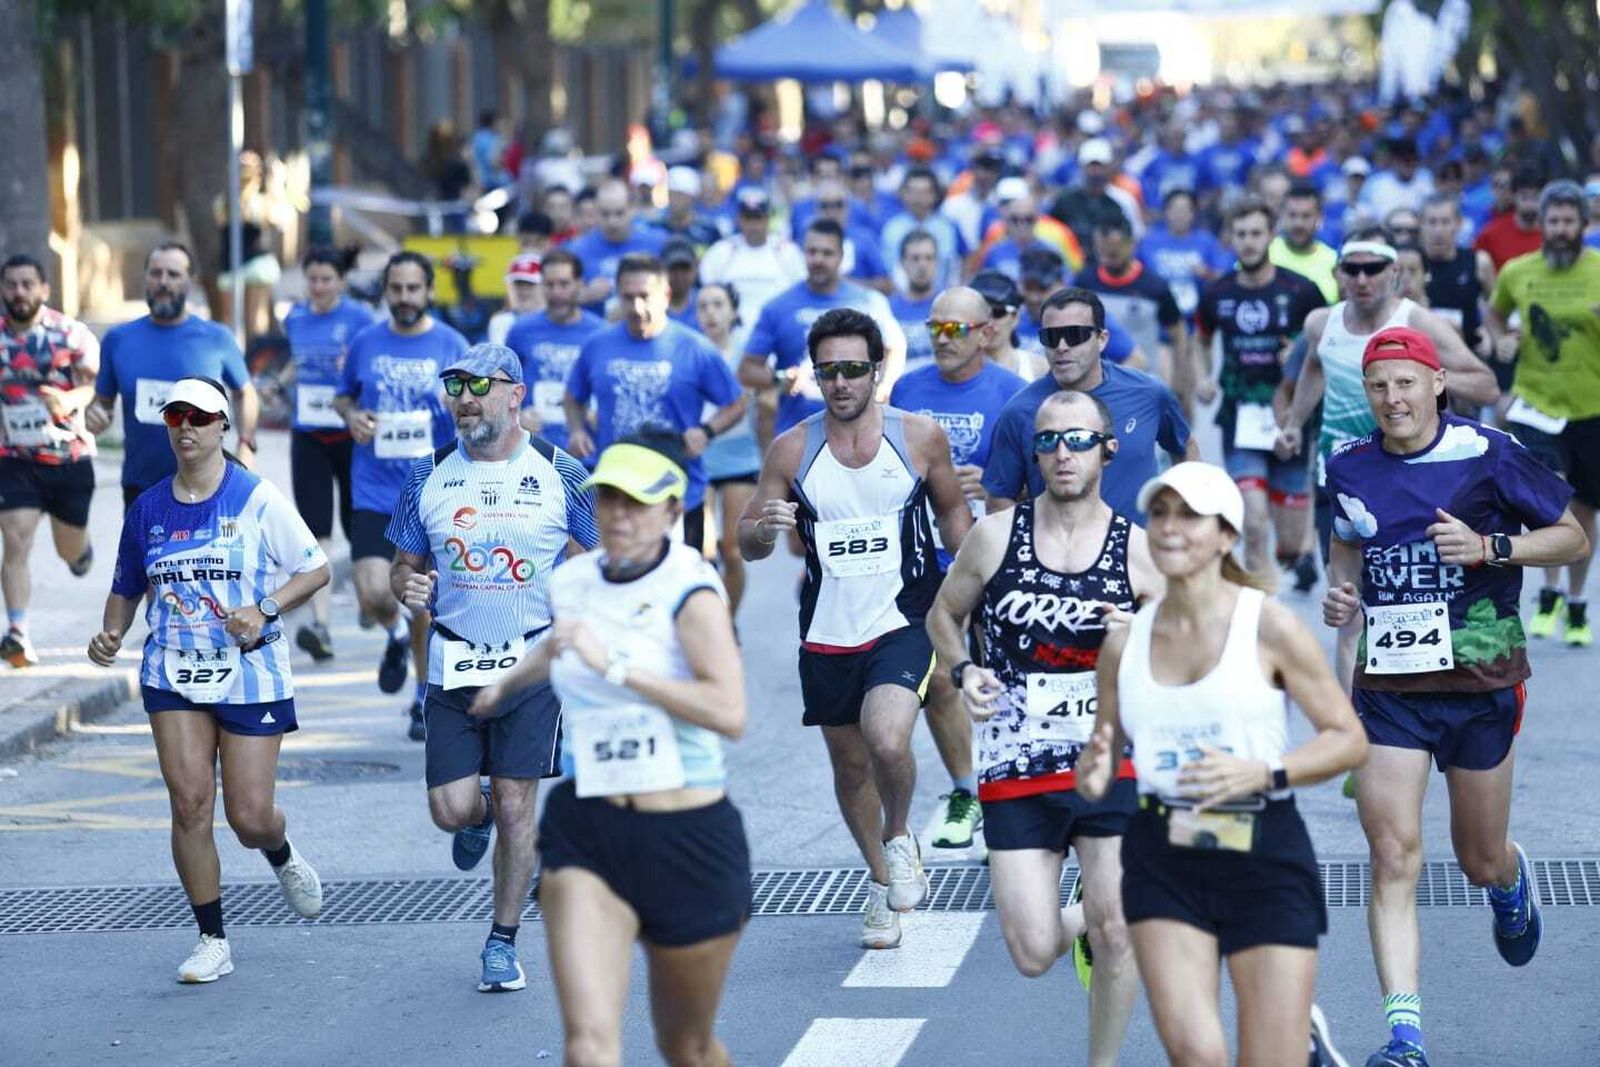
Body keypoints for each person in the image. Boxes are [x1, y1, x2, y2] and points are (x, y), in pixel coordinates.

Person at [1322, 327, 1588, 1067]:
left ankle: (1509, 879)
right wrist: (1344, 596)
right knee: (1393, 856)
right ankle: (1406, 1037)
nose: (1392, 398)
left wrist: (1490, 547)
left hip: (1481, 682)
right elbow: (1346, 544)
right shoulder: (1346, 464)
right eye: (1378, 385)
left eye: (1406, 383)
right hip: (1391, 690)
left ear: (1438, 384)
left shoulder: (1487, 451)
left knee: (1476, 857)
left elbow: (1572, 538)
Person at [470, 431, 750, 1067]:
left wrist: (619, 667)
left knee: (688, 1048)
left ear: (674, 511)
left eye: (636, 502)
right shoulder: (571, 581)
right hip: (588, 829)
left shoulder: (693, 590)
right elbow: (565, 642)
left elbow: (730, 713)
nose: (618, 516)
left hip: (687, 836)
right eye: (607, 500)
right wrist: (507, 682)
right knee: (589, 1046)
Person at [1077, 460, 1366, 1067]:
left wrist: (1266, 772)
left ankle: (1299, 1039)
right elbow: (1103, 752)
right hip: (1164, 852)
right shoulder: (1123, 642)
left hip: (1263, 848)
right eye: (1159, 513)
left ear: (1227, 536)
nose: (1169, 528)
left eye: (1189, 515)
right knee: (1196, 1056)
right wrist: (1095, 771)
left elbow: (1347, 738)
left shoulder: (1268, 626)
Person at [928, 390, 1161, 1067]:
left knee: (1118, 926)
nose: (1064, 453)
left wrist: (1141, 638)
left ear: (1107, 449)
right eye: (1051, 440)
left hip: (1107, 758)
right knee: (1032, 951)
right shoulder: (995, 536)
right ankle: (1086, 913)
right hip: (1015, 760)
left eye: (1080, 439)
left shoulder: (1139, 551)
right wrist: (965, 670)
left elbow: (1185, 647)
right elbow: (943, 617)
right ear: (1034, 453)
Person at [739, 307, 972, 949]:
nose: (840, 383)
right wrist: (761, 531)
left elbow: (953, 513)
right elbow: (749, 539)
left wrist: (968, 588)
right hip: (826, 627)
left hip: (905, 616)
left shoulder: (920, 437)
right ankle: (879, 884)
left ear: (876, 371)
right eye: (827, 372)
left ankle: (898, 835)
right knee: (849, 764)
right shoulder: (792, 448)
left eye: (851, 370)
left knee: (887, 739)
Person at [88, 377, 330, 983]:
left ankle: (279, 850)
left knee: (249, 817)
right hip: (173, 668)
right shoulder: (148, 508)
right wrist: (111, 634)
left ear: (224, 425)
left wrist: (265, 610)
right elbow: (126, 587)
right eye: (176, 417)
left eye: (200, 416)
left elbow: (316, 568)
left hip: (249, 671)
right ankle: (211, 938)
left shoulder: (256, 498)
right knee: (190, 803)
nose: (187, 427)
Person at [387, 343, 598, 992]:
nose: (465, 395)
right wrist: (408, 587)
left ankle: (502, 941)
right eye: (454, 383)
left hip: (531, 665)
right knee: (453, 810)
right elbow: (403, 565)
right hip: (452, 663)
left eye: (481, 382)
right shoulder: (426, 475)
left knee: (516, 804)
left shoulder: (564, 473)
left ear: (516, 393)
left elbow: (615, 551)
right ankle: (476, 816)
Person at [1275, 234, 1499, 691]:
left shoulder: (1417, 322)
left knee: (1403, 600)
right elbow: (1314, 370)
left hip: (1409, 481)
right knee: (1349, 605)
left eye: (1373, 268)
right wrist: (1295, 422)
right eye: (1351, 269)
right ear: (1337, 275)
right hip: (1338, 482)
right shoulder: (1321, 323)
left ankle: (1429, 697)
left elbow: (1486, 384)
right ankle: (1358, 737)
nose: (1362, 278)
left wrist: (1413, 373)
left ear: (1394, 273)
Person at [891, 287, 1028, 850]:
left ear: (986, 333)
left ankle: (1012, 789)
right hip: (924, 556)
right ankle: (966, 789)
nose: (941, 339)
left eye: (955, 329)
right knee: (944, 679)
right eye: (934, 328)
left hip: (993, 551)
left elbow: (1040, 477)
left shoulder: (1014, 394)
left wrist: (995, 482)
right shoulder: (905, 389)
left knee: (1003, 676)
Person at [334, 251, 469, 738]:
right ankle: (390, 635)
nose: (406, 298)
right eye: (397, 289)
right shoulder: (366, 341)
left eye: (415, 289)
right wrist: (353, 417)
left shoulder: (452, 344)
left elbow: (478, 407)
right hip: (374, 487)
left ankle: (421, 699)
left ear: (429, 291)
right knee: (373, 592)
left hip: (433, 490)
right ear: (386, 291)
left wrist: (457, 403)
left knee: (422, 601)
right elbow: (342, 394)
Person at [563, 254, 745, 550]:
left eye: (645, 296)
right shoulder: (597, 345)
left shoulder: (693, 347)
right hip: (618, 486)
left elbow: (736, 402)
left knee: (675, 587)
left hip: (676, 489)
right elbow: (573, 397)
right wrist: (577, 430)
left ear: (666, 295)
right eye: (628, 297)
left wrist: (706, 431)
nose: (636, 307)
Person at [1486, 180, 1600, 648]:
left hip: (1591, 406)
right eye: (1553, 221)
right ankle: (1548, 592)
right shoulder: (1517, 271)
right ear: (1543, 224)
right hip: (1535, 405)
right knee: (1549, 502)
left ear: (1583, 225)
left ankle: (1575, 601)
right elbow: (1495, 316)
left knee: (1586, 510)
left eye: (1568, 222)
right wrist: (1500, 342)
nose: (1559, 230)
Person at [1195, 199, 1326, 588]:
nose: (1248, 242)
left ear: (1271, 235)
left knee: (1288, 540)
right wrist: (1206, 378)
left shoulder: (1302, 290)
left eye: (1256, 233)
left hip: (1291, 415)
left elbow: (1328, 340)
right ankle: (1260, 612)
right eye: (1241, 234)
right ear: (1230, 239)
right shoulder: (1217, 292)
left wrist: (1300, 352)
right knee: (1252, 520)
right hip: (1240, 413)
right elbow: (1202, 340)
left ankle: (1291, 558)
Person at [983, 287, 1195, 520]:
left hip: (1137, 552)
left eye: (1075, 335)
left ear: (1102, 339)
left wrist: (1180, 517)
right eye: (1051, 337)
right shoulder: (1019, 412)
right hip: (1056, 553)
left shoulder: (1148, 393)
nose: (1062, 346)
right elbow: (998, 497)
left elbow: (1185, 449)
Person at [86, 243, 258, 506]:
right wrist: (95, 417)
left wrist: (246, 444)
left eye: (173, 274)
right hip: (142, 488)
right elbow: (102, 404)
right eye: (156, 273)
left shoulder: (217, 338)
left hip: (207, 487)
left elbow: (245, 393)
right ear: (145, 278)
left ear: (191, 282)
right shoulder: (118, 340)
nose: (163, 282)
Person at [0, 254, 100, 668]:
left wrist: (69, 399)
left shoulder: (71, 334)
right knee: (16, 540)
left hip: (67, 458)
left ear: (44, 289)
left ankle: (80, 554)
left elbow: (95, 385)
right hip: (13, 458)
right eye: (11, 285)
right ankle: (18, 632)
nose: (18, 292)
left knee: (68, 549)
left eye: (27, 284)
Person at [281, 246, 376, 662]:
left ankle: (371, 596)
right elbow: (297, 362)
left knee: (357, 526)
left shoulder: (360, 320)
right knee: (314, 529)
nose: (318, 286)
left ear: (341, 282)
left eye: (326, 279)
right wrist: (276, 382)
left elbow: (370, 365)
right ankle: (320, 627)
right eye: (312, 279)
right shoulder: (296, 318)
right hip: (308, 435)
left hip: (351, 435)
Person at [739, 218, 907, 439]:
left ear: (841, 256)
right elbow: (747, 370)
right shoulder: (777, 307)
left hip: (859, 435)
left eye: (827, 253)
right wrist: (781, 379)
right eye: (812, 252)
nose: (818, 259)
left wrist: (883, 388)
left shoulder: (868, 301)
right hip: (799, 434)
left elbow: (896, 347)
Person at [695, 282, 761, 616]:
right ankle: (705, 619)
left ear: (733, 311)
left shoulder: (746, 355)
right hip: (699, 461)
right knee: (701, 552)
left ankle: (727, 621)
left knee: (733, 551)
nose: (711, 313)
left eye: (718, 305)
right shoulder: (688, 350)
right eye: (704, 306)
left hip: (740, 459)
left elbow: (763, 397)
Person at [502, 248, 606, 453]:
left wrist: (599, 412)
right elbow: (503, 385)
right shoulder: (521, 330)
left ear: (579, 284)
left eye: (564, 284)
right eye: (549, 284)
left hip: (586, 450)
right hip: (534, 448)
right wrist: (516, 416)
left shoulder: (600, 333)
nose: (556, 292)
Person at [1075, 215, 1188, 397]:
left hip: (1143, 386)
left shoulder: (1154, 286)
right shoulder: (1085, 282)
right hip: (1096, 389)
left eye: (1114, 252)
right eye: (1102, 252)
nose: (1108, 258)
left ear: (1131, 244)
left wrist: (1180, 379)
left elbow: (1179, 333)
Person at [697, 186, 805, 328]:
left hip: (778, 329)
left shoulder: (787, 251)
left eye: (758, 218)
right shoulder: (721, 251)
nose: (753, 225)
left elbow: (801, 292)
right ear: (739, 219)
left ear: (767, 219)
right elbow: (707, 294)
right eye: (748, 218)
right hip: (732, 331)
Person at [567, 179, 667, 313]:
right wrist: (585, 295)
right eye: (605, 214)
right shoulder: (575, 252)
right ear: (596, 211)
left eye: (619, 213)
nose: (612, 222)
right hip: (594, 330)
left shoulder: (658, 243)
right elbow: (555, 299)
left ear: (632, 209)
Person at [1270, 185, 1340, 304]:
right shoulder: (1266, 254)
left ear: (1319, 218)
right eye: (1292, 215)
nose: (1298, 223)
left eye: (1306, 216)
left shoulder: (1333, 261)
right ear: (1282, 216)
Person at [1473, 165, 1545, 275]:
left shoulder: (1554, 235)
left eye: (1535, 197)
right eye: (1524, 197)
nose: (1530, 205)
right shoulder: (1490, 235)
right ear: (1514, 196)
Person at [890, 230, 940, 376]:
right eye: (915, 258)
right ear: (902, 263)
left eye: (929, 258)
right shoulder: (888, 309)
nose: (922, 265)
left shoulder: (950, 306)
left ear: (936, 262)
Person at [486, 253, 544, 346]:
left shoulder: (559, 322)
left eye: (530, 284)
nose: (523, 291)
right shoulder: (500, 322)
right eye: (518, 284)